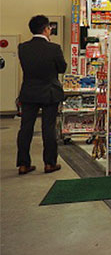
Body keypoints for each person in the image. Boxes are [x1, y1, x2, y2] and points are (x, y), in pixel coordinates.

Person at [17, 15, 66, 175]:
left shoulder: (22, 47)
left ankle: (23, 164)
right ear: (46, 29)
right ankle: (50, 163)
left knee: (25, 128)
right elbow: (62, 68)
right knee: (48, 128)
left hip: (29, 92)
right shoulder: (54, 48)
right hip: (49, 92)